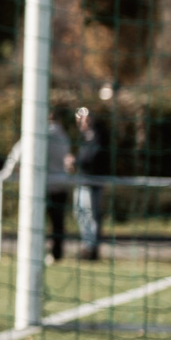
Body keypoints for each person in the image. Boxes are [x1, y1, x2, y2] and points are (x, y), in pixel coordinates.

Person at [3, 111, 72, 262]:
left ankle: (34, 252)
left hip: (41, 186)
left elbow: (17, 153)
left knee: (36, 222)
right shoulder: (64, 136)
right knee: (57, 223)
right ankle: (56, 254)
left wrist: (6, 174)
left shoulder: (36, 132)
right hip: (60, 183)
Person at [71, 106, 110, 261]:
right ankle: (86, 245)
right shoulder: (84, 136)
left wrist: (77, 161)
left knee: (91, 215)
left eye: (85, 119)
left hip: (93, 183)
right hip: (82, 180)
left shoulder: (98, 134)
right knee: (79, 213)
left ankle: (91, 249)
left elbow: (93, 156)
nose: (83, 122)